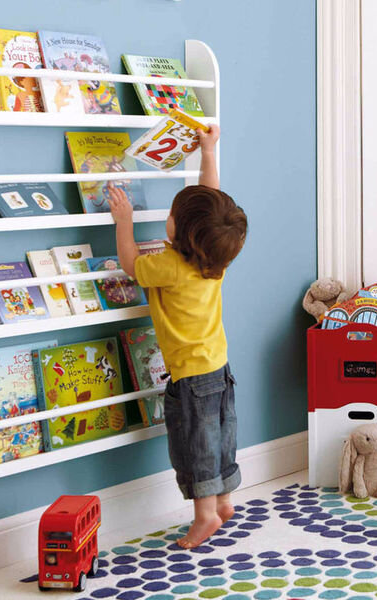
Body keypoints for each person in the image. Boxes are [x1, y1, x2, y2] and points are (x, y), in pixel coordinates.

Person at [108, 124, 247, 548]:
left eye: (171, 214)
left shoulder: (168, 267)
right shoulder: (215, 259)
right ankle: (223, 501)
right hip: (219, 367)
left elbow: (131, 264)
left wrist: (124, 221)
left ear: (181, 231)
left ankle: (205, 515)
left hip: (189, 376)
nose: (167, 218)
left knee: (195, 445)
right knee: (220, 437)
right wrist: (208, 152)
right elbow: (210, 202)